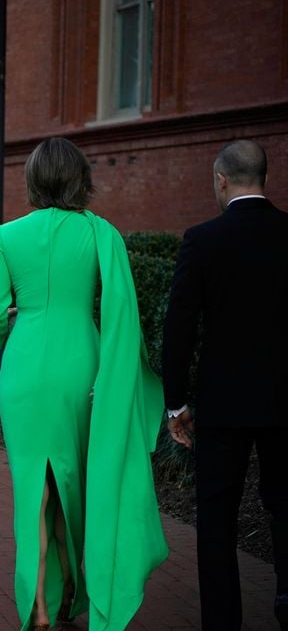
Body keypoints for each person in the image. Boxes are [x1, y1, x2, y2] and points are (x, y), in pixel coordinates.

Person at [0, 137, 167, 631]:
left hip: (23, 371)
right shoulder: (102, 233)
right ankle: (72, 592)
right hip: (82, 366)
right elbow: (125, 313)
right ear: (80, 178)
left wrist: (6, 328)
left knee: (34, 491)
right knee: (75, 483)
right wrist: (115, 374)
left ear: (34, 179)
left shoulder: (5, 236)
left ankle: (39, 605)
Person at [161, 139, 288, 631]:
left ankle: (222, 621)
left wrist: (175, 404)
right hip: (284, 401)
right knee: (285, 503)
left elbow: (180, 326)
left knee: (216, 514)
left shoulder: (202, 239)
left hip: (224, 403)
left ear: (221, 179)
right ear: (266, 179)